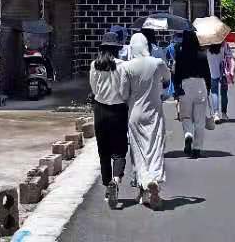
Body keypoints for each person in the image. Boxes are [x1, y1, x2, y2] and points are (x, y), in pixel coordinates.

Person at [120, 32, 170, 208]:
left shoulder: (126, 67)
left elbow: (123, 93)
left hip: (135, 113)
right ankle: (154, 179)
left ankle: (145, 182)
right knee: (155, 148)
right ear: (147, 46)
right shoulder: (157, 63)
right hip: (154, 112)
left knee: (138, 151)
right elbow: (167, 79)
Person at [90, 31, 128, 208]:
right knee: (119, 150)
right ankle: (116, 180)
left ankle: (107, 186)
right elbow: (124, 89)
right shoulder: (122, 66)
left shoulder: (94, 65)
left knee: (103, 151)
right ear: (117, 49)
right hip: (118, 110)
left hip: (100, 110)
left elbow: (93, 88)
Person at [173, 29, 212, 157]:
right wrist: (208, 88)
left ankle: (188, 134)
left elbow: (177, 75)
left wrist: (176, 88)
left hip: (185, 85)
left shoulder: (180, 55)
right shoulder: (202, 55)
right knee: (200, 120)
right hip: (200, 85)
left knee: (186, 116)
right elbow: (207, 74)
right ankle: (197, 148)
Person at [207, 39, 234, 121]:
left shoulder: (206, 45)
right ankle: (224, 114)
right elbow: (229, 56)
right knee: (224, 93)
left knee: (214, 92)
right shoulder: (224, 44)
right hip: (223, 72)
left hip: (212, 72)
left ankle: (216, 114)